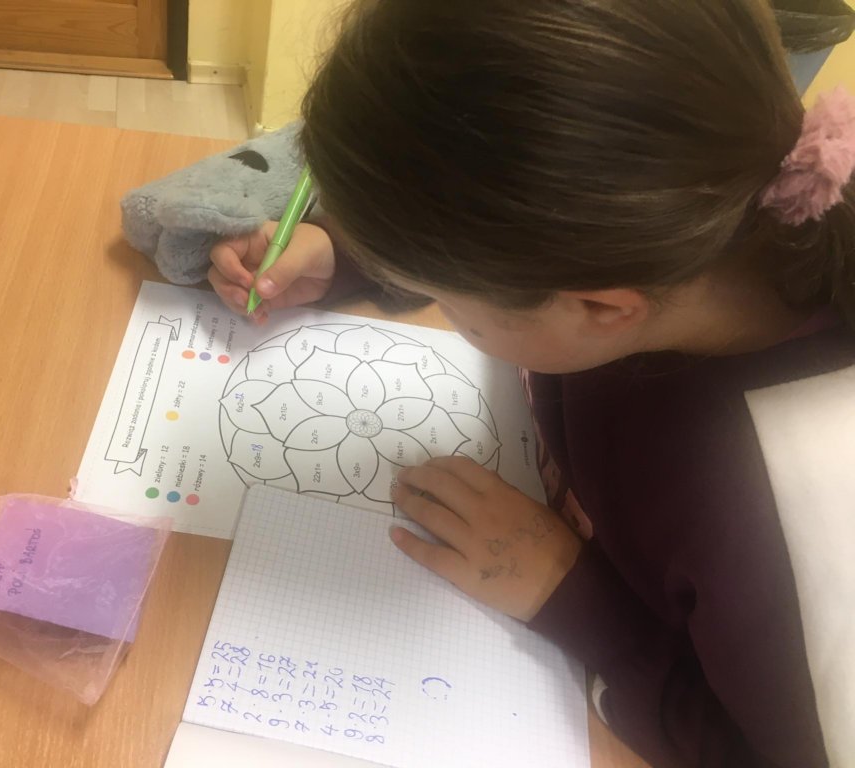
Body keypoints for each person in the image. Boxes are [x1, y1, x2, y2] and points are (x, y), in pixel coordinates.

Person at [206, 1, 855, 765]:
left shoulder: (795, 518)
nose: (435, 298)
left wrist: (575, 598)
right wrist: (345, 254)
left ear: (601, 309)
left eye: (445, 294)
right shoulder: (688, 214)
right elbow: (492, 184)